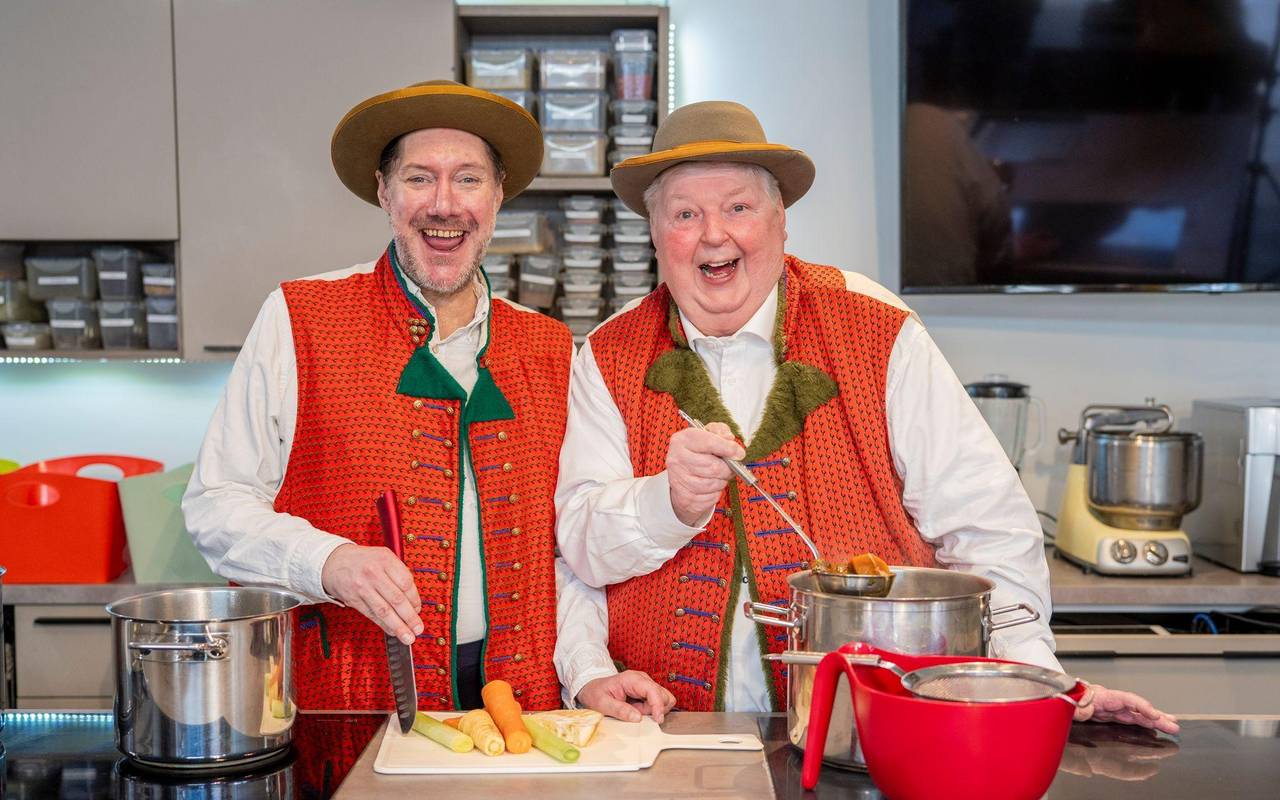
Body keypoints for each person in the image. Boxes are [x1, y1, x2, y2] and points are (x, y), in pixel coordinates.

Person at [552, 100, 1179, 733]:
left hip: (871, 731)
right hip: (669, 738)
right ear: (656, 234)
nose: (715, 234)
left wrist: (1032, 682)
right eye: (685, 215)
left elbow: (984, 523)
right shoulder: (609, 352)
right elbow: (575, 548)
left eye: (738, 207)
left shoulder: (873, 325)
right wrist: (669, 504)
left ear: (781, 221)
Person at [184, 80, 573, 713]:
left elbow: (571, 547)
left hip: (522, 702)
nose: (444, 205)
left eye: (469, 179)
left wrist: (585, 669)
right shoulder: (299, 317)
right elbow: (216, 505)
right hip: (352, 700)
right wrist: (327, 560)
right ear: (384, 192)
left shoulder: (552, 348)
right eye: (419, 178)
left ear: (498, 195)